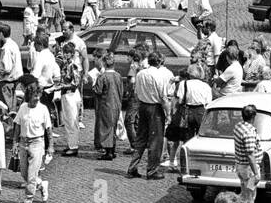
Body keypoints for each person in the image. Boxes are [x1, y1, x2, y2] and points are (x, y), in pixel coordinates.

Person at [126, 52, 171, 181]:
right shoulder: (158, 75)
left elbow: (136, 90)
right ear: (159, 62)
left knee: (140, 138)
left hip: (143, 105)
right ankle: (152, 170)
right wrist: (168, 113)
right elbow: (163, 97)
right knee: (156, 140)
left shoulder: (140, 74)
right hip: (154, 107)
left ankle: (132, 167)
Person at [232, 104, 271, 203]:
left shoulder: (238, 126)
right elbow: (250, 155)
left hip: (241, 166)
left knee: (245, 194)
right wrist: (256, 173)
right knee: (249, 196)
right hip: (248, 169)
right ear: (254, 116)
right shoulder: (249, 132)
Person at [165, 64, 212, 168]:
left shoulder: (184, 84)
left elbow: (180, 100)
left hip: (187, 112)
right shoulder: (206, 86)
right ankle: (200, 162)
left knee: (187, 139)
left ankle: (185, 163)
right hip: (201, 112)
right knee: (201, 138)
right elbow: (208, 102)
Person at [15, 83, 53, 203]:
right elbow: (17, 124)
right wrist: (15, 142)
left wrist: (50, 147)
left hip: (37, 143)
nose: (37, 98)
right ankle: (42, 185)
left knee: (31, 175)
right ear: (29, 96)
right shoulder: (23, 107)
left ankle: (28, 200)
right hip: (23, 143)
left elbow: (48, 129)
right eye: (34, 96)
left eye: (38, 95)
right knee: (24, 173)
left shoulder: (43, 109)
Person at [91, 51, 124, 160]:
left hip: (105, 104)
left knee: (105, 127)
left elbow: (98, 90)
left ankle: (108, 151)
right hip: (116, 104)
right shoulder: (118, 75)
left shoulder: (103, 76)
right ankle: (112, 149)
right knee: (113, 126)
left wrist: (93, 85)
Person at [0, 23, 25, 110]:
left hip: (7, 82)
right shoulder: (14, 44)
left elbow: (7, 68)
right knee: (12, 106)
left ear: (1, 34)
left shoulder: (6, 48)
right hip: (15, 80)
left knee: (5, 107)